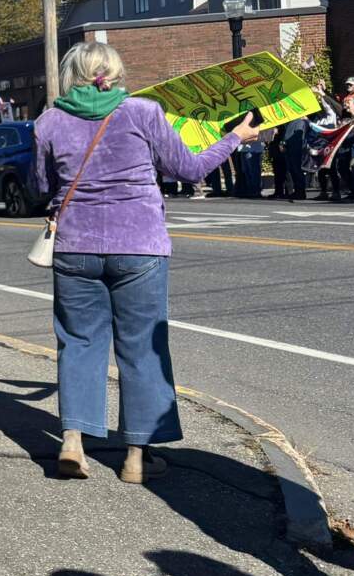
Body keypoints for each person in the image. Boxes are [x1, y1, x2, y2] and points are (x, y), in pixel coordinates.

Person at [32, 42, 257, 485]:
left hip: (75, 246)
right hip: (139, 244)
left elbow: (41, 184)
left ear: (71, 74)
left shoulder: (49, 121)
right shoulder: (143, 112)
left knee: (78, 342)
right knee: (141, 347)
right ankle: (136, 455)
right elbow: (189, 170)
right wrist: (235, 138)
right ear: (114, 74)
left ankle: (73, 443)